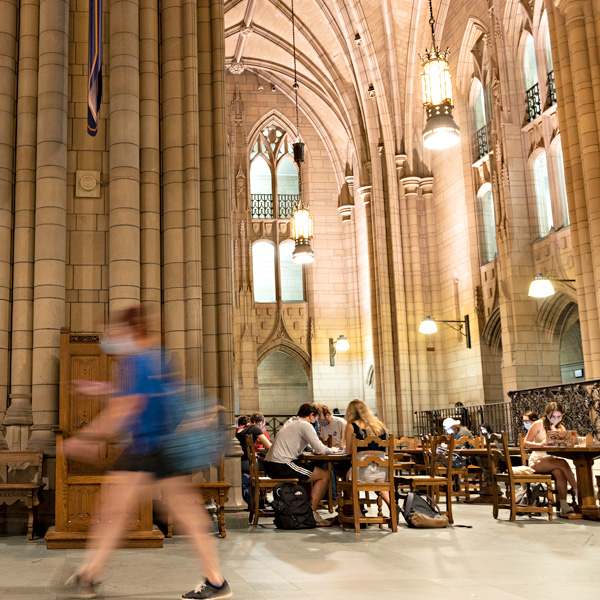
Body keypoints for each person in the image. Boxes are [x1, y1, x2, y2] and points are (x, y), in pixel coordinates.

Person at [61, 304, 232, 600]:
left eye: (115, 330)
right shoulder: (158, 356)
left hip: (146, 447)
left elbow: (126, 409)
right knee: (187, 515)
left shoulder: (135, 361)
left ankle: (87, 577)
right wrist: (104, 389)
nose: (110, 336)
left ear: (130, 330)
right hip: (166, 445)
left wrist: (83, 439)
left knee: (110, 513)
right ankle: (216, 581)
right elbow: (149, 395)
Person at [263, 402, 341, 526]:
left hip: (272, 464)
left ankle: (304, 509)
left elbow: (303, 442)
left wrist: (311, 449)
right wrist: (333, 450)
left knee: (312, 472)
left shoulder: (292, 421)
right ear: (311, 415)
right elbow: (321, 450)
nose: (316, 420)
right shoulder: (305, 425)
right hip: (282, 465)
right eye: (315, 417)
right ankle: (311, 513)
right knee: (324, 475)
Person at [523, 401, 578, 516]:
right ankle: (578, 490)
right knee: (562, 463)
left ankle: (563, 505)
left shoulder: (560, 427)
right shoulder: (538, 424)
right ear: (547, 414)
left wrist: (555, 431)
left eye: (559, 416)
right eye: (553, 416)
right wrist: (540, 444)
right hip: (538, 460)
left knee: (559, 472)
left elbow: (563, 444)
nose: (556, 419)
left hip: (553, 459)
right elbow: (525, 443)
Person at [343, 399, 392, 510]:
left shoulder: (352, 426)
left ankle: (357, 511)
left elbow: (349, 452)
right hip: (382, 472)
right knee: (380, 485)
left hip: (363, 471)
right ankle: (391, 506)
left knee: (348, 477)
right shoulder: (379, 426)